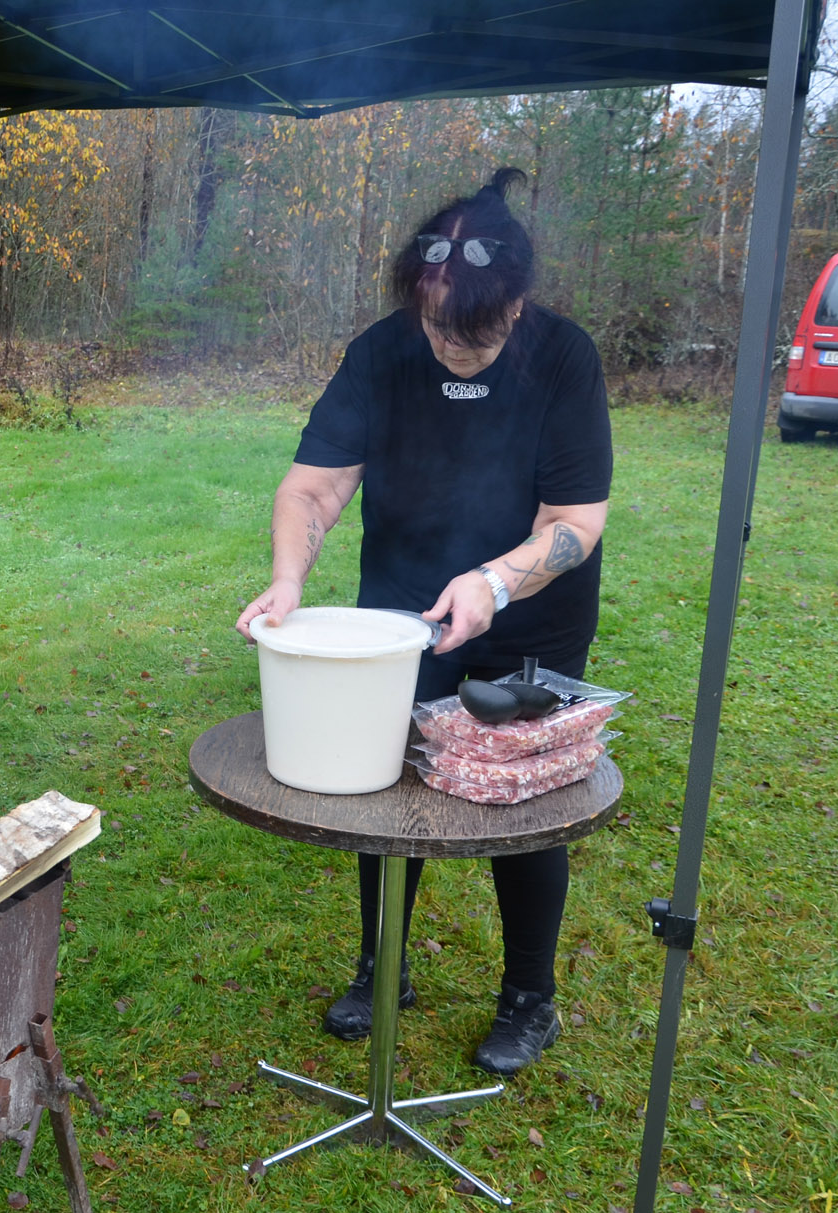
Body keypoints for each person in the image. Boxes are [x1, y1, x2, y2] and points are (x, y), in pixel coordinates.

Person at [235, 169, 612, 1077]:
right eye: (438, 327)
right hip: (399, 612)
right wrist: (288, 580)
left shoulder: (564, 358)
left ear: (517, 304)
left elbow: (576, 523)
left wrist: (493, 579)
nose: (451, 346)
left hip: (532, 623)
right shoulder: (381, 353)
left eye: (471, 333)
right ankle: (384, 964)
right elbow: (312, 486)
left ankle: (530, 995)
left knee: (524, 800)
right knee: (384, 785)